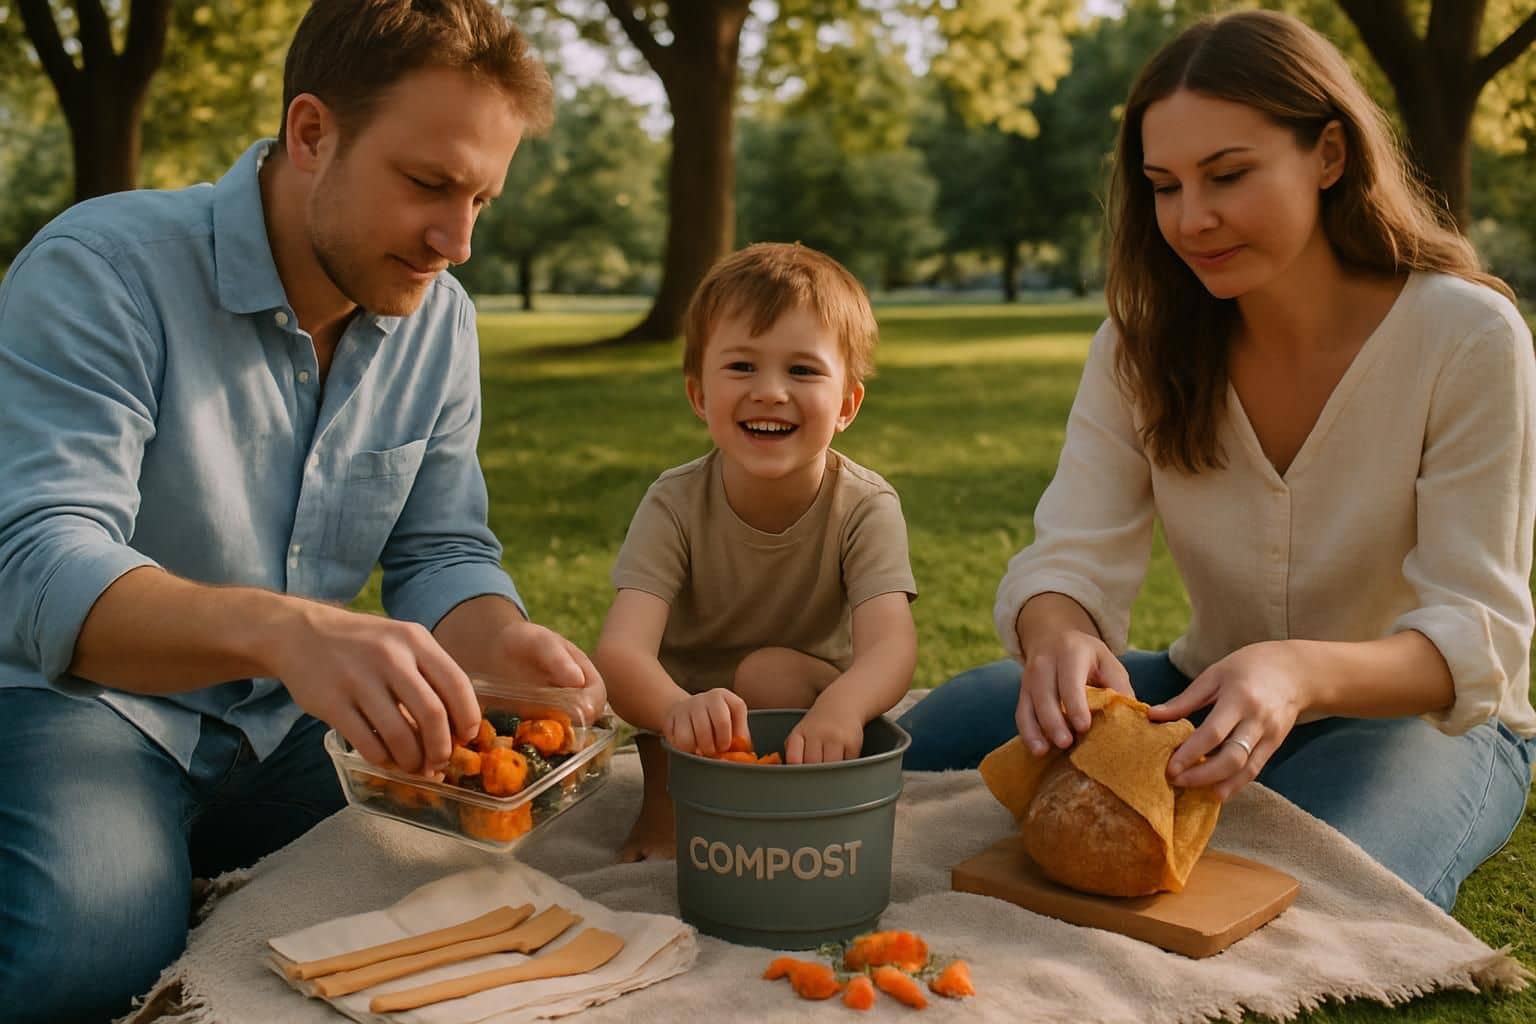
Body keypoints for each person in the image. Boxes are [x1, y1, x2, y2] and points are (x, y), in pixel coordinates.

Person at [0, 2, 606, 1020]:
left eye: (482, 201)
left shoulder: (436, 319)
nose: (455, 241)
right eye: (429, 184)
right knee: (86, 956)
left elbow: (442, 547)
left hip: (291, 735)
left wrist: (505, 641)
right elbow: (36, 560)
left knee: (493, 889)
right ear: (313, 133)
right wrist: (287, 633)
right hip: (81, 702)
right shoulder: (102, 269)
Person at [898, 9, 1536, 913]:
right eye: (1164, 186)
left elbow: (1480, 634)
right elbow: (1070, 555)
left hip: (1422, 723)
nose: (1191, 220)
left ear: (1328, 154)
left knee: (1312, 887)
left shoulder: (1467, 335)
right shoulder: (1140, 345)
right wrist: (1059, 635)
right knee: (937, 731)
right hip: (1204, 690)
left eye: (1228, 175)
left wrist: (1296, 673)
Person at [594, 242, 918, 862]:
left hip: (804, 705)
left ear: (847, 404)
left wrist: (845, 707)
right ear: (698, 395)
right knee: (667, 699)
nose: (770, 392)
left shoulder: (865, 506)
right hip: (685, 715)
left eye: (802, 371)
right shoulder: (674, 503)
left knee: (766, 672)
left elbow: (891, 645)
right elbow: (621, 651)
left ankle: (789, 803)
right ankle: (666, 802)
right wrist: (677, 710)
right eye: (742, 367)